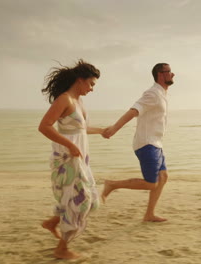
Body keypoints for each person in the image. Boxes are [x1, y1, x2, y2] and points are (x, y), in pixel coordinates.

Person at [38, 59, 103, 259]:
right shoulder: (64, 99)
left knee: (87, 201)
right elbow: (44, 126)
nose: (92, 89)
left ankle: (53, 222)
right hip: (67, 160)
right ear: (80, 80)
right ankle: (62, 249)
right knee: (82, 201)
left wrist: (102, 131)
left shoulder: (79, 102)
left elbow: (79, 130)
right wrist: (71, 146)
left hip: (80, 159)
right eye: (91, 83)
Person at [101, 63, 175, 222]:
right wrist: (114, 128)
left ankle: (149, 214)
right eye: (169, 72)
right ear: (160, 74)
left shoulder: (162, 93)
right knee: (151, 184)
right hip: (147, 144)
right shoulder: (152, 93)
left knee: (163, 177)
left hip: (156, 143)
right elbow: (134, 111)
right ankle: (112, 184)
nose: (172, 74)